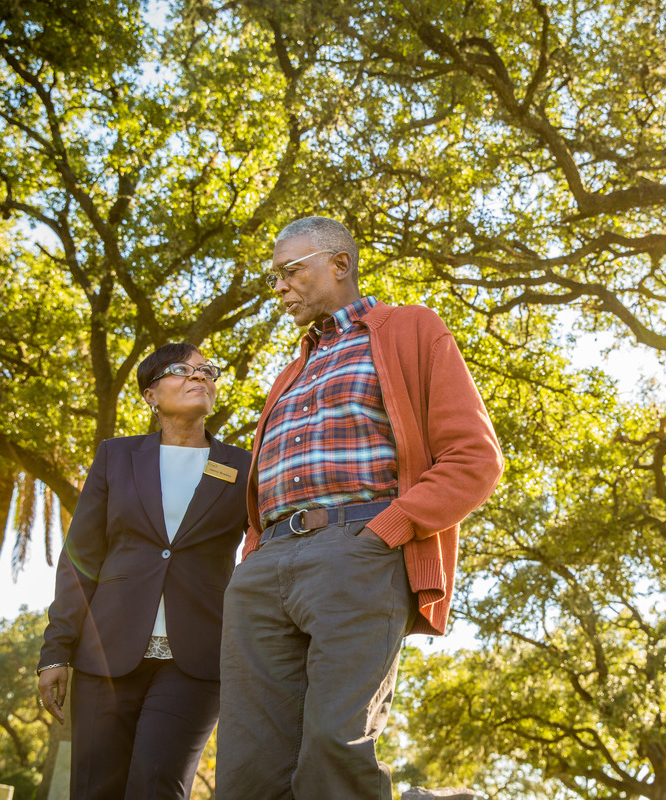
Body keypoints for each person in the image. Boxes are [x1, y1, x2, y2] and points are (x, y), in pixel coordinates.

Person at [216, 217, 505, 799]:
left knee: (331, 748)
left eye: (290, 271)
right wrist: (252, 559)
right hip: (265, 566)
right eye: (275, 276)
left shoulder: (410, 329)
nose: (279, 287)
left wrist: (384, 532)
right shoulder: (287, 375)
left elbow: (474, 458)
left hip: (357, 552)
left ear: (338, 264)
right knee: (249, 769)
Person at [37, 342, 251, 800]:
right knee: (94, 789)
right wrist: (56, 652)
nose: (200, 377)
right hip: (105, 656)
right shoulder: (116, 456)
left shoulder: (242, 466)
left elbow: (260, 552)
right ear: (150, 394)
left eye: (207, 371)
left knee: (157, 788)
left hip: (194, 662)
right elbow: (80, 558)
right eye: (182, 369)